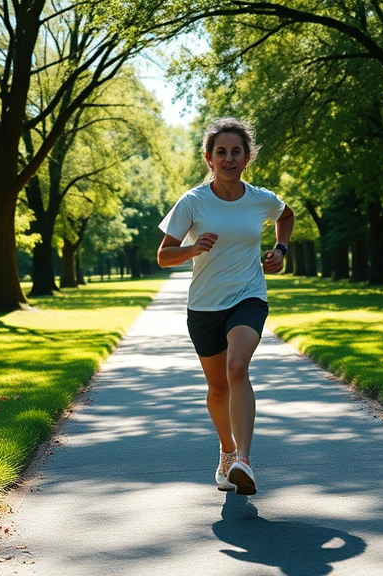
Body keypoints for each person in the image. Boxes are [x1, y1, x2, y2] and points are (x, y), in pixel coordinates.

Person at [157, 117, 295, 496]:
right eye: (222, 152)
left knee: (238, 367)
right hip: (204, 306)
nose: (229, 158)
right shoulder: (192, 202)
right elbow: (164, 256)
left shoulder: (260, 199)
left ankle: (244, 461)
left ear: (247, 157)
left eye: (237, 151)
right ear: (209, 158)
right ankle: (226, 451)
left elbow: (286, 216)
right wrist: (193, 247)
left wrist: (280, 250)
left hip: (249, 296)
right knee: (218, 389)